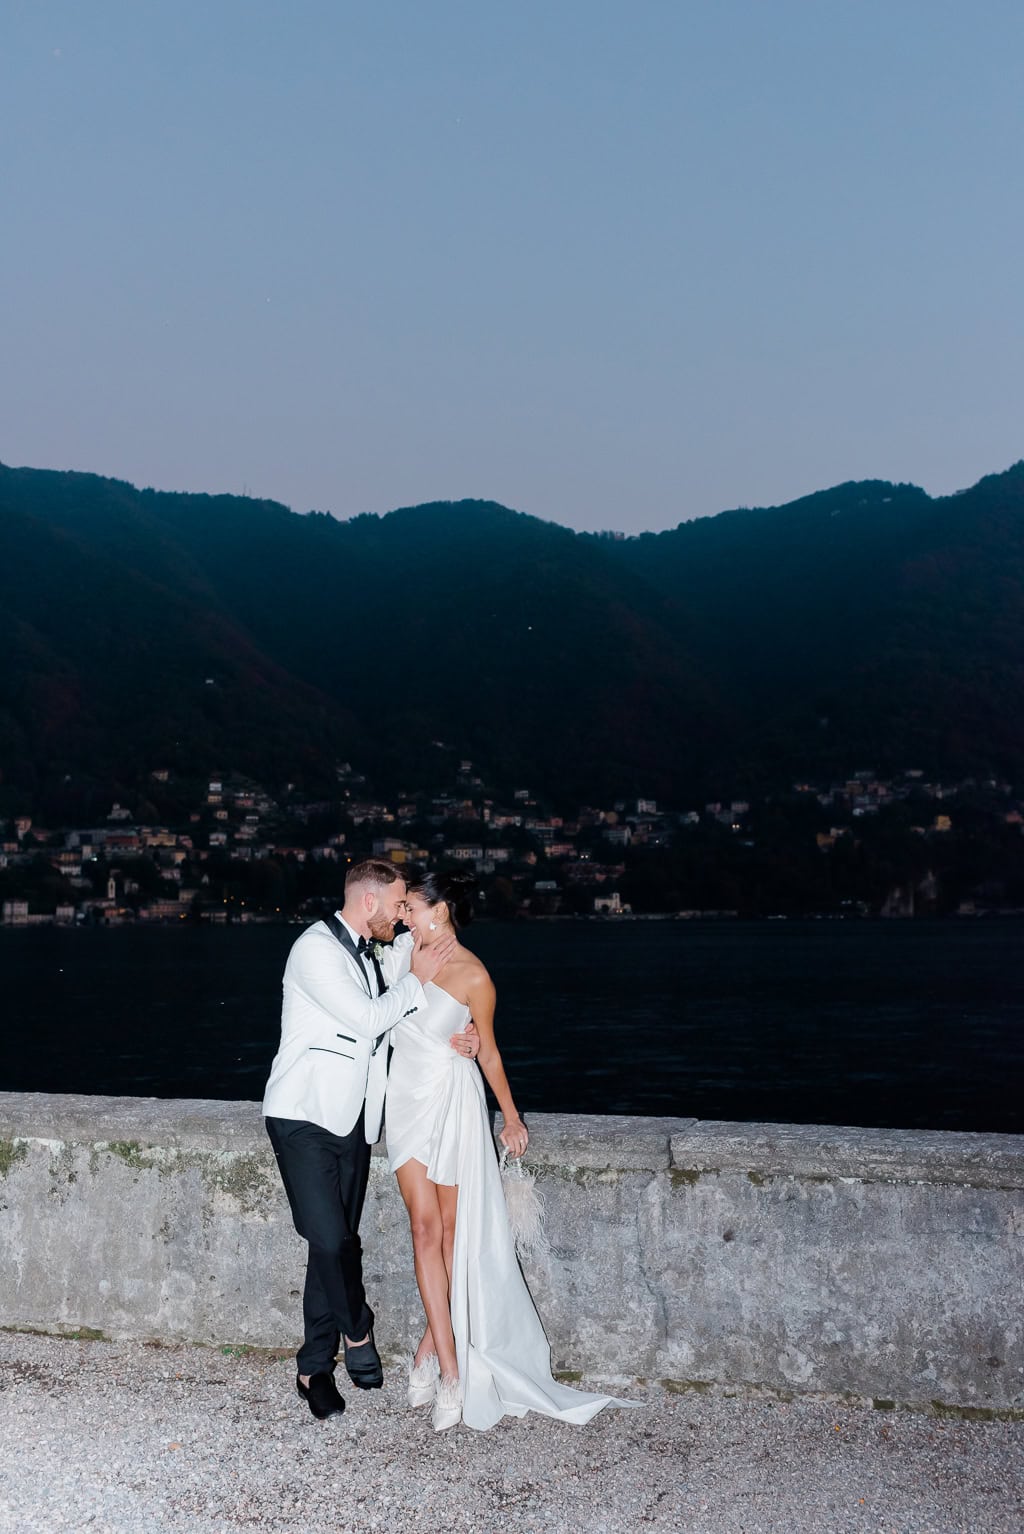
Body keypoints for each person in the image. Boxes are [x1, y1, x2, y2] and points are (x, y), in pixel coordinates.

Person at [386, 867, 634, 1432]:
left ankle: (438, 1360)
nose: (404, 915)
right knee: (422, 1229)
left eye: (412, 907)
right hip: (404, 1104)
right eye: (402, 910)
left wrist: (512, 1116)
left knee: (448, 1235)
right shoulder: (398, 954)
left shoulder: (476, 977)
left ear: (440, 911)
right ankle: (444, 1359)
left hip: (452, 1102)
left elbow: (490, 1053)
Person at [262, 860, 480, 1421]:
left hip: (356, 1120)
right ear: (369, 903)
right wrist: (418, 982)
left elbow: (419, 1006)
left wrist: (464, 1029)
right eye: (398, 904)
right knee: (332, 1239)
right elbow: (367, 1020)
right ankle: (357, 1330)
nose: (402, 915)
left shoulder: (379, 951)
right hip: (304, 1116)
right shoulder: (314, 950)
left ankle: (313, 1367)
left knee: (327, 1245)